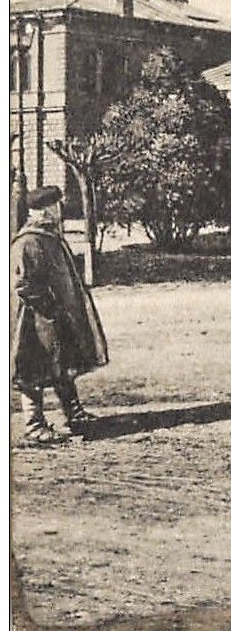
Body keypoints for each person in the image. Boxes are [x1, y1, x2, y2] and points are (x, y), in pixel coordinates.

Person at [11, 185, 108, 444]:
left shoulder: (50, 237)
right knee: (32, 370)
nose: (58, 211)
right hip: (34, 321)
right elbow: (21, 284)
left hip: (56, 317)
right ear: (41, 211)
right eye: (54, 207)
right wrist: (48, 307)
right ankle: (34, 426)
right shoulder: (28, 241)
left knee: (63, 364)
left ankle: (74, 415)